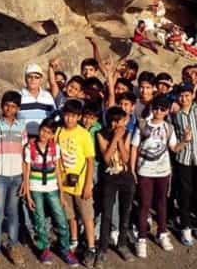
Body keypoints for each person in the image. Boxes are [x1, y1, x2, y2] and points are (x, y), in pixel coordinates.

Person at [23, 118, 79, 267]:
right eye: (43, 130)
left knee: (61, 219)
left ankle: (65, 249)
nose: (44, 134)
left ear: (52, 135)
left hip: (52, 188)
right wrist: (28, 195)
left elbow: (58, 172)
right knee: (39, 220)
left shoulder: (55, 148)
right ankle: (44, 248)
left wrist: (61, 194)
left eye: (48, 132)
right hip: (35, 188)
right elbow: (27, 172)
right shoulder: (30, 148)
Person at [0, 91, 28, 269]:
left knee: (13, 214)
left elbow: (25, 156)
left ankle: (12, 245)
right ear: (2, 106)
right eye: (6, 105)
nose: (9, 109)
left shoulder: (21, 127)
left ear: (18, 108)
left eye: (13, 106)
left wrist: (25, 179)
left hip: (17, 177)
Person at [130, 95, 176, 258]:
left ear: (167, 111)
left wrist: (185, 140)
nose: (158, 111)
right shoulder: (142, 125)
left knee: (162, 202)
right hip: (145, 170)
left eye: (162, 109)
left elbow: (174, 148)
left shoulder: (168, 127)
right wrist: (132, 168)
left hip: (163, 170)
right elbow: (134, 147)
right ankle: (141, 238)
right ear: (151, 108)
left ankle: (162, 233)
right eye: (156, 108)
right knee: (144, 204)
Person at [56, 99, 98, 265]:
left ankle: (91, 247)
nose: (69, 119)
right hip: (64, 182)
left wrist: (88, 184)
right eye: (67, 115)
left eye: (73, 116)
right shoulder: (58, 132)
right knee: (70, 215)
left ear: (79, 117)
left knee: (86, 216)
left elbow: (90, 160)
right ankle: (73, 240)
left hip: (81, 184)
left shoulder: (84, 134)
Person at [170, 84, 197, 246]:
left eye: (187, 95)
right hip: (184, 158)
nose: (184, 99)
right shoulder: (174, 114)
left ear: (192, 96)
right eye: (181, 96)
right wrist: (183, 141)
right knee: (184, 194)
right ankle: (186, 226)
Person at [96, 107, 135, 266]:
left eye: (118, 120)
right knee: (107, 213)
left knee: (125, 212)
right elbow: (106, 158)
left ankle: (122, 244)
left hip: (125, 177)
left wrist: (119, 139)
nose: (115, 124)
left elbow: (126, 158)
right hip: (109, 177)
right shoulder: (100, 134)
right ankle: (103, 249)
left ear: (124, 121)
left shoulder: (127, 133)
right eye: (112, 120)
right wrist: (114, 138)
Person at [19, 63, 57, 138]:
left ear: (41, 80)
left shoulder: (47, 96)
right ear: (25, 78)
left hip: (43, 140)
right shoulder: (18, 96)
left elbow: (54, 117)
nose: (33, 80)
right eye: (30, 77)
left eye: (37, 77)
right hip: (23, 139)